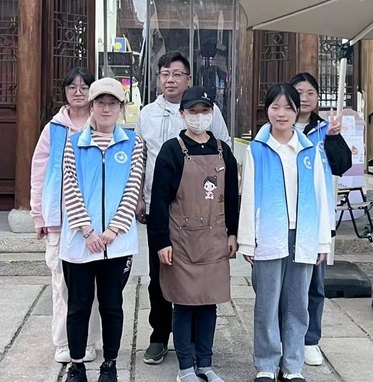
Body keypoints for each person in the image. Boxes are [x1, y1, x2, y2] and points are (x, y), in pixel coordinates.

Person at [135, 51, 230, 365]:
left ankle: (192, 341)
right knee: (159, 276)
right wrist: (138, 197)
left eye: (177, 74)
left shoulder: (209, 113)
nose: (170, 79)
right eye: (165, 74)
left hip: (202, 213)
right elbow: (139, 159)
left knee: (199, 277)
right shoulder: (147, 114)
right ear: (158, 78)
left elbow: (224, 155)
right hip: (159, 209)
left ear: (188, 78)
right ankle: (159, 336)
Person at [238, 83, 334, 382]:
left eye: (288, 108)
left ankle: (293, 365)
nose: (281, 114)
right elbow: (248, 195)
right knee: (267, 303)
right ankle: (266, 364)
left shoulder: (309, 150)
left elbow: (320, 195)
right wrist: (247, 240)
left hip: (303, 234)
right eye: (275, 107)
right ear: (267, 110)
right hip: (268, 233)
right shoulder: (257, 149)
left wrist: (323, 240)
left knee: (298, 303)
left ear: (296, 111)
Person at [148, 86, 239, 382]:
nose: (199, 117)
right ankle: (185, 366)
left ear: (212, 113)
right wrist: (161, 241)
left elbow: (232, 196)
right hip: (182, 240)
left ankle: (205, 364)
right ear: (183, 114)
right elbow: (159, 201)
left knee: (209, 303)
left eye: (205, 111)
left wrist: (233, 233)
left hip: (215, 239)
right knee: (184, 304)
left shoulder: (223, 150)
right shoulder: (172, 151)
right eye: (193, 111)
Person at [61, 77, 145, 382]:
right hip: (80, 242)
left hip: (117, 243)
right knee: (78, 306)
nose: (106, 108)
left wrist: (112, 231)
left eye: (112, 103)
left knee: (112, 306)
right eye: (100, 102)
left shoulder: (134, 143)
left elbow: (133, 188)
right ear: (91, 106)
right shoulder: (74, 143)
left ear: (121, 107)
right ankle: (76, 365)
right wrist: (87, 231)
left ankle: (110, 365)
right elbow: (70, 188)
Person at [30, 67, 100, 364]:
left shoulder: (101, 125)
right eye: (72, 87)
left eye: (84, 86)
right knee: (61, 284)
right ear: (65, 92)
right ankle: (63, 342)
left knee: (91, 286)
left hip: (93, 222)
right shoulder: (54, 129)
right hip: (59, 220)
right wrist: (38, 215)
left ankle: (89, 341)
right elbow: (39, 173)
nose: (78, 92)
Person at [290, 72, 352, 367]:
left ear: (318, 98)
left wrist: (334, 137)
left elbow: (342, 165)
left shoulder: (327, 129)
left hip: (317, 219)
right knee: (284, 283)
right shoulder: (279, 127)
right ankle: (286, 336)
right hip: (285, 216)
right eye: (298, 92)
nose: (304, 98)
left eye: (310, 93)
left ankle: (310, 339)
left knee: (315, 283)